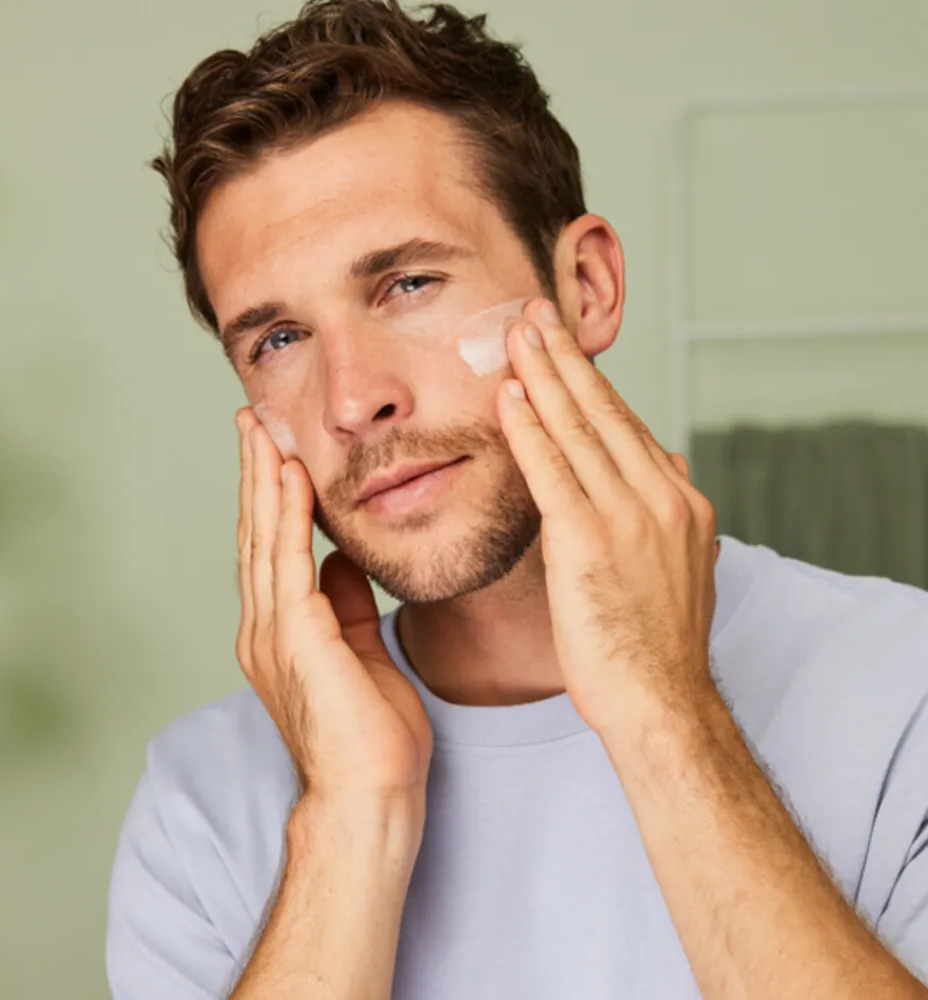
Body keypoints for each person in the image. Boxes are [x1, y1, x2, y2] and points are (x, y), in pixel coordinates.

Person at [105, 1, 928, 997]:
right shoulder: (201, 806)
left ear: (586, 286)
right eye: (279, 340)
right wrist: (352, 813)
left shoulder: (904, 694)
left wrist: (665, 717)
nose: (352, 401)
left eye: (408, 283)